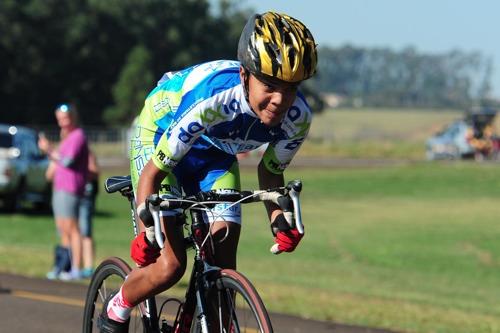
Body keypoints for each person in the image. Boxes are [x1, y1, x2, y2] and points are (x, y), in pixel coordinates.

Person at [98, 11, 317, 332]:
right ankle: (117, 305)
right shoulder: (212, 100)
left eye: (291, 87)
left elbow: (270, 175)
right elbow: (152, 175)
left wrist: (278, 220)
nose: (279, 100)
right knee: (170, 266)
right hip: (160, 136)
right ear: (245, 76)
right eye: (269, 85)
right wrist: (147, 228)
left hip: (216, 151)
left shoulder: (297, 117)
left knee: (223, 260)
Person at [39, 104, 89, 281]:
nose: (62, 122)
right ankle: (63, 265)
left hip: (71, 187)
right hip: (60, 187)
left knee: (72, 228)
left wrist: (49, 150)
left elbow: (67, 161)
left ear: (72, 117)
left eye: (65, 118)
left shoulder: (77, 136)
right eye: (59, 119)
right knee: (63, 230)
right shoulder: (66, 137)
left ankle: (75, 267)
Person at [80, 149, 100, 278]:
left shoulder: (86, 152)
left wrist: (78, 171)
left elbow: (94, 171)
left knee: (85, 231)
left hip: (84, 194)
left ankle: (88, 266)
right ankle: (74, 264)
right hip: (72, 193)